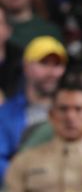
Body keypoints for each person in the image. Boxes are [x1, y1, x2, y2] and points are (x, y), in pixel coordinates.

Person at [4, 82, 82, 191]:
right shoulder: (25, 160)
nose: (70, 117)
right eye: (63, 109)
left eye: (78, 109)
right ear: (51, 115)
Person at [0, 36, 66, 181]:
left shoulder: (73, 110)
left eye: (57, 65)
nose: (52, 72)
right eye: (44, 63)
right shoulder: (6, 113)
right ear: (26, 66)